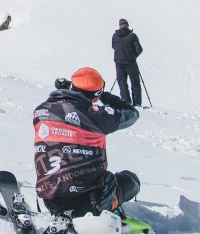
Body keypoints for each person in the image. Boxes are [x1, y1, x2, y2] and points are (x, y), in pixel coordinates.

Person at [33, 67, 140, 229]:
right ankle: (98, 212)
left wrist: (67, 90)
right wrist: (103, 94)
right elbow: (131, 113)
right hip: (89, 200)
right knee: (130, 181)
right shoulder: (96, 116)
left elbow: (65, 109)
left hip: (51, 197)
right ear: (96, 95)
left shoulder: (41, 110)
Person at [112, 19, 143, 107]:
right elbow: (139, 50)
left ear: (119, 25)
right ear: (127, 25)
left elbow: (113, 47)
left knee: (122, 83)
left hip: (119, 63)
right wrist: (133, 56)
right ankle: (137, 103)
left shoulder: (115, 36)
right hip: (131, 62)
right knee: (135, 83)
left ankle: (126, 102)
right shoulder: (132, 36)